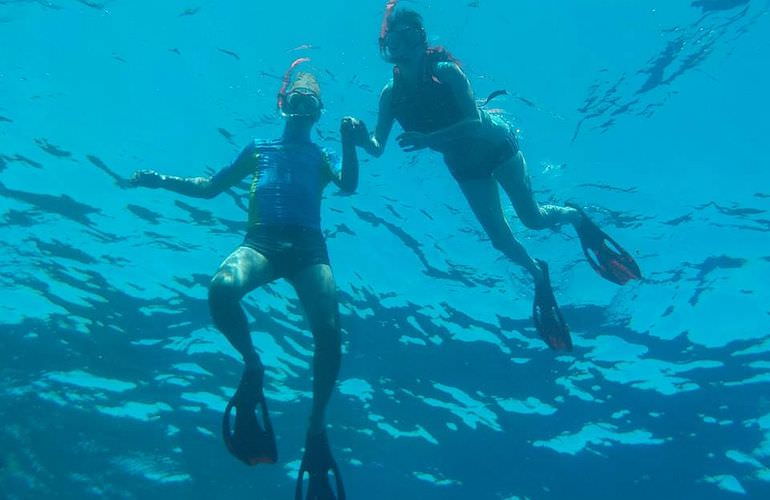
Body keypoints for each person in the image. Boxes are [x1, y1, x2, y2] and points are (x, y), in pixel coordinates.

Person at [343, 5, 641, 351]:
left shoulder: (447, 72)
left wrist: (429, 140)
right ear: (387, 46)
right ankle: (538, 274)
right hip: (465, 166)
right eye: (398, 38)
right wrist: (359, 137)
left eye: (414, 36)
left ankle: (575, 216)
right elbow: (377, 147)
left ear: (423, 40)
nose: (406, 46)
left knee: (532, 218)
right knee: (501, 240)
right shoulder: (390, 95)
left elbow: (474, 123)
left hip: (496, 145)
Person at [130, 61, 352, 499]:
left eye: (310, 100)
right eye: (296, 97)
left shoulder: (320, 156)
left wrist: (351, 142)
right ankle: (253, 364)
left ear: (318, 112)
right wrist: (162, 181)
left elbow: (349, 185)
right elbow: (210, 187)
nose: (302, 104)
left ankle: (316, 428)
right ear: (282, 103)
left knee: (329, 334)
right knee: (222, 288)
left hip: (309, 247)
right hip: (263, 241)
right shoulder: (259, 146)